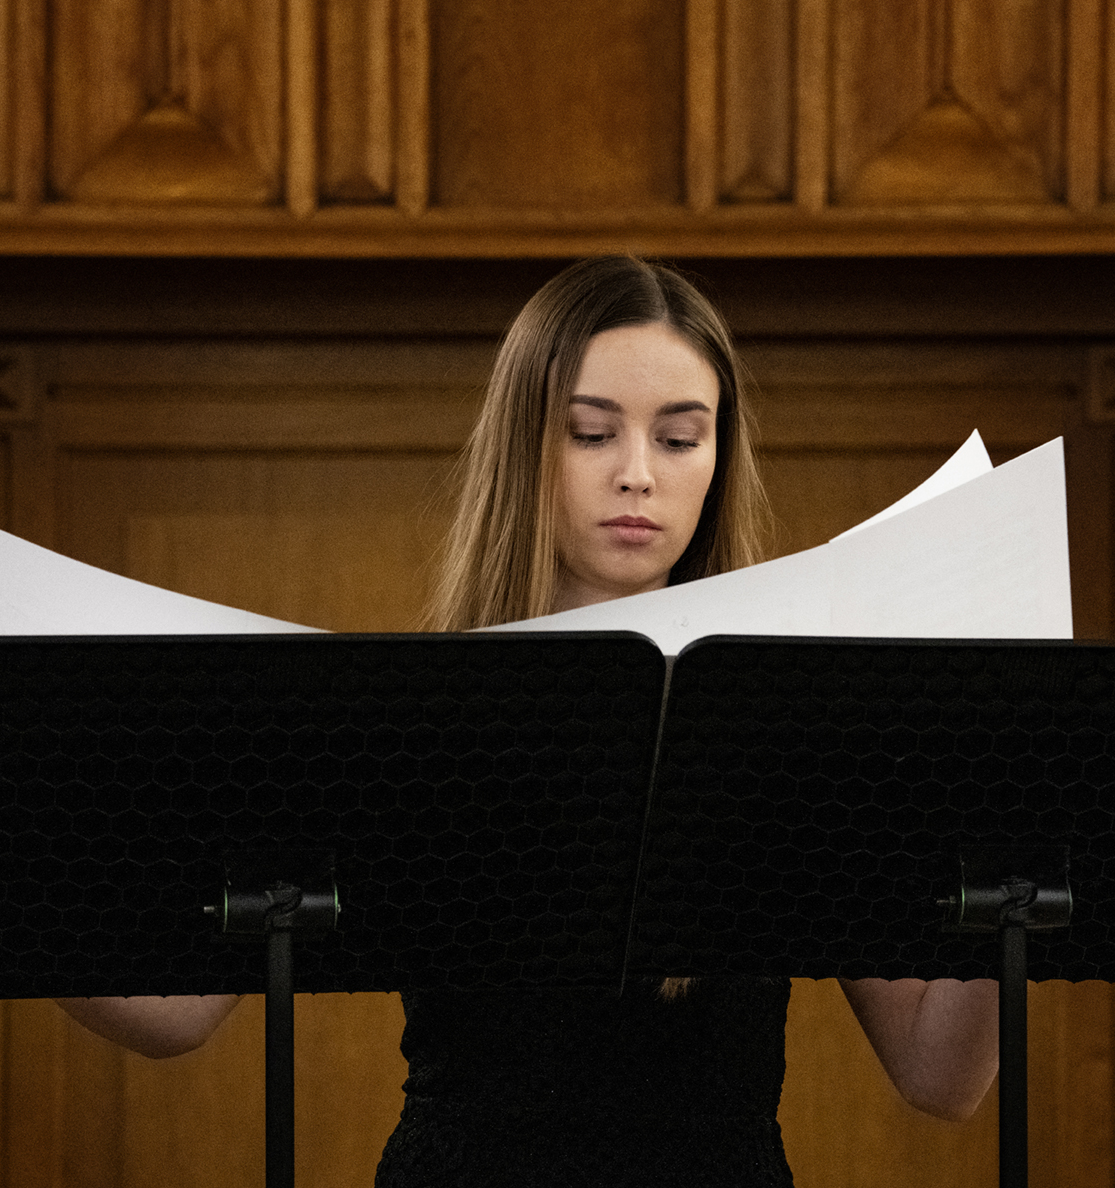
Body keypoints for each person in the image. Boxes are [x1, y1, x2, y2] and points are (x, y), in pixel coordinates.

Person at [58, 256, 998, 1184]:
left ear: (718, 458)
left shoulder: (791, 718)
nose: (638, 475)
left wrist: (1012, 813)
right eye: (592, 433)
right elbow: (174, 1012)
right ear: (526, 444)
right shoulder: (410, 712)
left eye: (680, 439)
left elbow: (940, 1076)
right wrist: (6, 852)